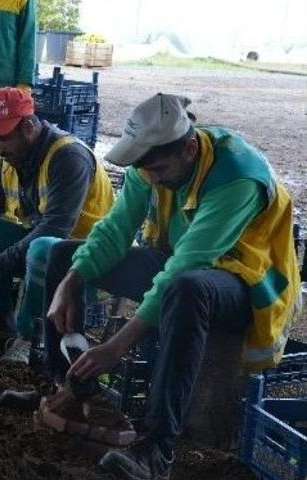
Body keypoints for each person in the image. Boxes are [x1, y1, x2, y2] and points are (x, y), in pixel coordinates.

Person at [43, 93, 300, 479]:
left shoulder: (238, 176)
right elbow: (115, 229)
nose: (152, 179)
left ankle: (155, 449)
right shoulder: (149, 164)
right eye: (145, 171)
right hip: (183, 265)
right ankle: (67, 386)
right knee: (64, 256)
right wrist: (70, 281)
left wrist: (117, 345)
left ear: (190, 148)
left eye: (159, 170)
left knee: (187, 288)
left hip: (247, 283)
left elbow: (189, 262)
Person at [0, 87, 113, 358]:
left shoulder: (69, 157)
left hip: (89, 260)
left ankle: (30, 339)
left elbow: (56, 228)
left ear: (28, 127)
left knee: (43, 246)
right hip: (45, 250)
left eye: (3, 138)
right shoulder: (11, 158)